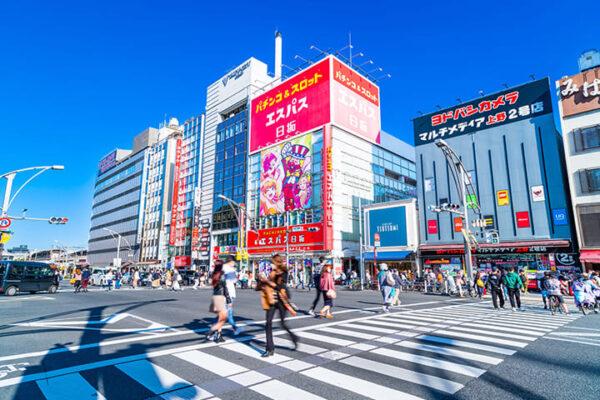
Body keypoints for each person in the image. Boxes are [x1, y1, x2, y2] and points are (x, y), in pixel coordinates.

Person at [259, 254, 298, 357]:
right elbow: (267, 284)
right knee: (268, 323)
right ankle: (270, 349)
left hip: (281, 300)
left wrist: (267, 280)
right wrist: (262, 279)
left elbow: (279, 287)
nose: (271, 264)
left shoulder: (283, 272)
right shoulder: (272, 273)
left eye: (273, 262)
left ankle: (294, 338)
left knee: (282, 324)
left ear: (277, 262)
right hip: (271, 299)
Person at [205, 260, 230, 343]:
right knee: (223, 318)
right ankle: (210, 333)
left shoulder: (214, 274)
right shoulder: (221, 274)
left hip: (215, 296)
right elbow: (225, 287)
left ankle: (218, 335)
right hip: (220, 297)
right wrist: (229, 299)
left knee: (220, 318)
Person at [223, 256, 243, 335]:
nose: (234, 264)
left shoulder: (222, 268)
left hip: (223, 293)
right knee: (228, 313)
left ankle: (213, 332)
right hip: (229, 293)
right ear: (231, 261)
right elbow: (234, 280)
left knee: (224, 313)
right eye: (234, 262)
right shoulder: (229, 269)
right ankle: (235, 328)